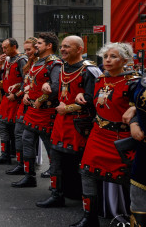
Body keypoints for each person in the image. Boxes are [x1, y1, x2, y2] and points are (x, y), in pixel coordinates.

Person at [70, 43, 140, 227]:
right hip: (98, 135)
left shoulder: (134, 82)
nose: (107, 60)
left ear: (125, 60)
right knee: (87, 172)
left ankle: (135, 220)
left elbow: (141, 106)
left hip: (121, 139)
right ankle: (89, 217)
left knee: (127, 179)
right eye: (106, 56)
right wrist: (82, 97)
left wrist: (133, 111)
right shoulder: (101, 79)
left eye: (113, 56)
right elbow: (96, 103)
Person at [35, 35, 102, 208]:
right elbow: (59, 87)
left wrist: (69, 108)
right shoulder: (63, 67)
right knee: (56, 159)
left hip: (80, 125)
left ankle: (87, 201)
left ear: (79, 49)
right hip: (60, 121)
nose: (63, 49)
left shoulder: (89, 70)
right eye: (62, 46)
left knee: (81, 164)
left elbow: (93, 100)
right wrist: (47, 85)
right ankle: (57, 194)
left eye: (67, 47)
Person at [12, 32, 62, 188]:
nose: (36, 46)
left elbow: (55, 87)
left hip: (46, 112)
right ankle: (29, 176)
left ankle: (57, 187)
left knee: (51, 148)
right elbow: (32, 82)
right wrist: (26, 92)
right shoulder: (38, 62)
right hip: (32, 110)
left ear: (49, 46)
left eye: (39, 43)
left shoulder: (55, 63)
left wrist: (40, 100)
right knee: (26, 140)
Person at [0, 38, 28, 163]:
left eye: (6, 48)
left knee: (16, 131)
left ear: (14, 47)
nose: (4, 50)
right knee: (2, 125)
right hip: (7, 98)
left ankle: (18, 159)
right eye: (3, 48)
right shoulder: (6, 60)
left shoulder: (22, 59)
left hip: (17, 100)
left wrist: (17, 94)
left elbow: (26, 80)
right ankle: (5, 155)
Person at [6, 37, 38, 175]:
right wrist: (20, 87)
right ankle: (22, 166)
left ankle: (48, 171)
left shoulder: (48, 64)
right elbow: (25, 81)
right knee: (20, 134)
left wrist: (21, 93)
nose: (27, 53)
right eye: (25, 50)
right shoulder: (29, 62)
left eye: (29, 49)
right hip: (25, 104)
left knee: (46, 141)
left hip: (38, 106)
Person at [129, 67, 146, 227]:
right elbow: (139, 105)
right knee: (138, 199)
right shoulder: (144, 78)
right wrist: (134, 122)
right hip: (143, 151)